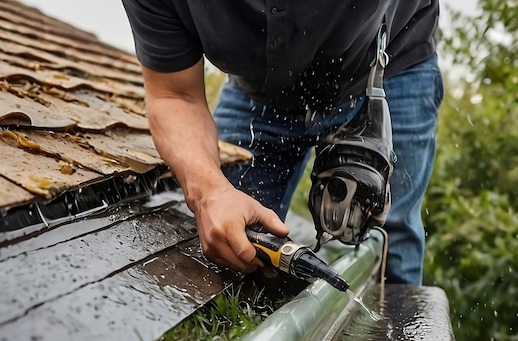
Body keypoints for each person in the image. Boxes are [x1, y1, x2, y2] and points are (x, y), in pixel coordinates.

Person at [121, 1, 443, 285]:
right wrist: (209, 192)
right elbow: (173, 94)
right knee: (232, 246)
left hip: (391, 64)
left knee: (387, 233)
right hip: (260, 91)